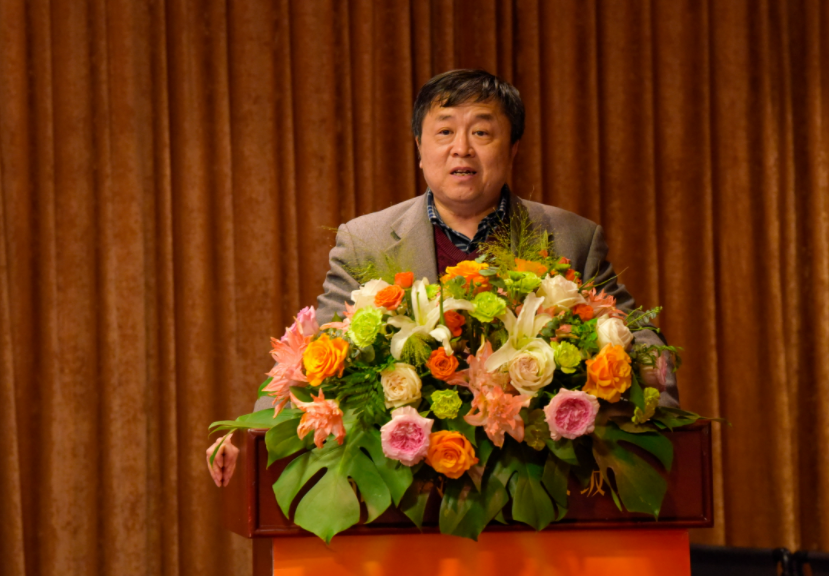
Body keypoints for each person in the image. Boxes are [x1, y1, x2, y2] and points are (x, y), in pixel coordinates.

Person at [207, 69, 678, 486]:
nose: (462, 148)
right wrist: (252, 436)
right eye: (445, 131)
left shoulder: (572, 237)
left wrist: (667, 420)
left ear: (513, 148)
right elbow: (317, 354)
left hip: (541, 470)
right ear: (420, 149)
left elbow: (637, 338)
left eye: (482, 132)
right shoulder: (367, 241)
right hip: (409, 479)